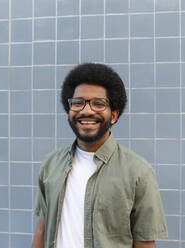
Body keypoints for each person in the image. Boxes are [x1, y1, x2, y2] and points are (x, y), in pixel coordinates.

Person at [32, 63, 167, 248]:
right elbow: (42, 229)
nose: (86, 110)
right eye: (78, 103)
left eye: (98, 103)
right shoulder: (51, 164)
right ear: (69, 110)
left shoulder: (138, 172)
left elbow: (144, 244)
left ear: (113, 115)